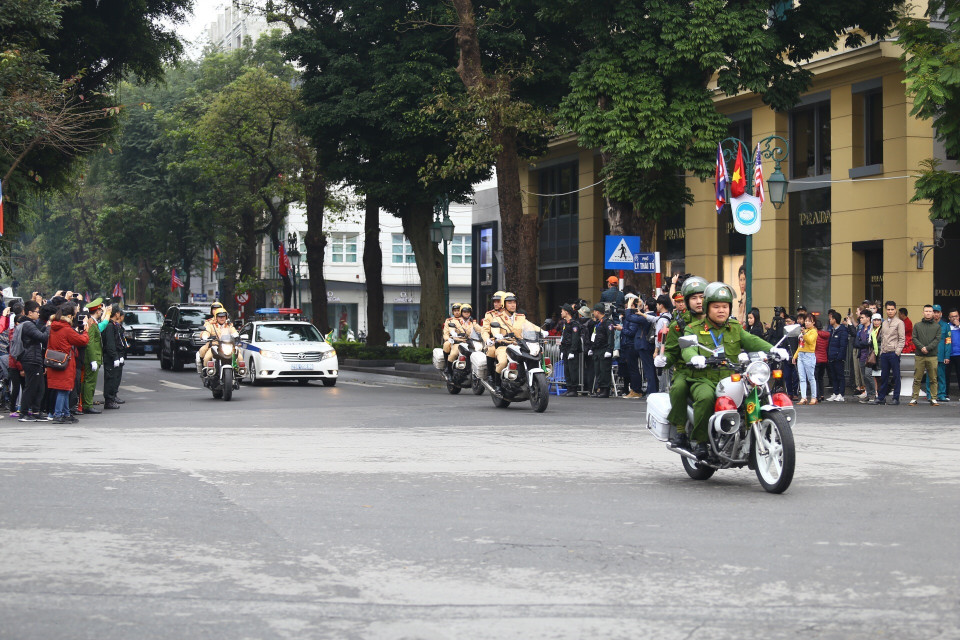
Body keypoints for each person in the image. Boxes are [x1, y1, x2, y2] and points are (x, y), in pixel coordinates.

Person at [681, 282, 781, 459]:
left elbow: (751, 340)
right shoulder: (693, 328)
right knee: (705, 398)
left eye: (725, 306)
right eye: (716, 306)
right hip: (704, 378)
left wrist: (773, 349)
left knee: (759, 393)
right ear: (707, 308)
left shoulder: (735, 328)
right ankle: (701, 442)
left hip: (732, 377)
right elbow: (687, 348)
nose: (721, 310)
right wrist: (694, 357)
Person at [655, 276, 707, 448]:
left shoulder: (719, 318)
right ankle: (680, 431)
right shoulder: (680, 324)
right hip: (686, 370)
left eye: (702, 297)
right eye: (694, 298)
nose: (699, 302)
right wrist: (664, 360)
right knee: (678, 389)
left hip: (716, 368)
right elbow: (671, 352)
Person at [488, 293, 544, 393]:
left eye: (514, 302)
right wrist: (497, 335)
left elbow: (529, 325)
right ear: (504, 305)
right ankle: (497, 385)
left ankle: (525, 379)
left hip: (519, 345)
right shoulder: (498, 318)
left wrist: (541, 331)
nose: (513, 305)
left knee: (530, 357)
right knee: (503, 362)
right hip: (504, 346)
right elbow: (494, 329)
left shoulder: (520, 317)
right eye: (509, 303)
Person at [46, 303, 91, 424]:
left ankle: (65, 413)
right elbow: (82, 340)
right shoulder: (66, 329)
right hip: (65, 362)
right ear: (70, 316)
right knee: (63, 390)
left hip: (55, 360)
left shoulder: (53, 326)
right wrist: (86, 330)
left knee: (65, 389)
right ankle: (59, 414)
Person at [17, 300, 49, 422]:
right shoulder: (27, 325)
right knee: (31, 387)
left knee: (39, 387)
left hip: (34, 359)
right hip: (31, 359)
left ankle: (36, 411)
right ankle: (24, 413)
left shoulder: (30, 324)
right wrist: (48, 327)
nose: (38, 314)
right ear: (30, 313)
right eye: (37, 312)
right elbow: (42, 337)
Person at [874, 300, 905, 405]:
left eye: (892, 309)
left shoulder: (899, 323)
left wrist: (897, 352)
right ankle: (881, 398)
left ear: (895, 310)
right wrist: (882, 350)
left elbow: (902, 339)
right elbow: (882, 338)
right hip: (885, 353)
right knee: (884, 376)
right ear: (885, 310)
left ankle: (896, 398)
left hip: (894, 353)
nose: (890, 311)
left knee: (896, 376)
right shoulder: (884, 323)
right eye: (888, 309)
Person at [910, 304, 941, 406]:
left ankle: (933, 398)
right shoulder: (917, 325)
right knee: (917, 378)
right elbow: (914, 338)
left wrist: (927, 348)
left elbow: (937, 339)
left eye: (930, 311)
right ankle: (914, 398)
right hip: (920, 355)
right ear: (923, 312)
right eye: (926, 311)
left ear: (933, 313)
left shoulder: (937, 326)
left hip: (932, 356)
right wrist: (922, 347)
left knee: (933, 378)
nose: (928, 313)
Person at [79, 298, 105, 414]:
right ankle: (87, 404)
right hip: (91, 358)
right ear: (98, 311)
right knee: (90, 382)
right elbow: (89, 343)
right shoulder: (92, 324)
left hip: (93, 357)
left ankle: (86, 403)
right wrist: (93, 359)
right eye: (100, 310)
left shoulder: (93, 322)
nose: (101, 312)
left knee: (88, 381)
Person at [619, 296, 646, 399]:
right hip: (628, 344)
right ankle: (634, 389)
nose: (626, 309)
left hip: (631, 344)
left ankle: (636, 390)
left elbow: (631, 332)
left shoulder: (635, 317)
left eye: (628, 306)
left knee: (633, 369)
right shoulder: (630, 317)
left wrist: (622, 329)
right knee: (631, 369)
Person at [101, 306, 128, 410]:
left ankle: (112, 398)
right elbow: (111, 344)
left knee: (114, 378)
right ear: (116, 314)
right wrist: (115, 356)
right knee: (110, 379)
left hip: (116, 355)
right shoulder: (109, 326)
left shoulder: (115, 325)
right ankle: (109, 400)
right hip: (111, 357)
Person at [588, 303, 614, 398]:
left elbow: (610, 337)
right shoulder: (598, 323)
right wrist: (592, 348)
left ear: (597, 312)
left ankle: (605, 389)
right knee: (598, 370)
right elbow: (594, 337)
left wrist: (609, 349)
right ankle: (600, 389)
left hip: (604, 349)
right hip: (597, 350)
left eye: (594, 311)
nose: (593, 313)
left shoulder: (607, 323)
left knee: (604, 370)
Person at [480, 291, 506, 383]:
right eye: (494, 301)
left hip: (509, 341)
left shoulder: (510, 313)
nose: (495, 303)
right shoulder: (489, 314)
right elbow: (485, 330)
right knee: (491, 350)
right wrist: (487, 340)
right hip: (494, 341)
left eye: (498, 301)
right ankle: (490, 374)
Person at [793, 314, 818, 405]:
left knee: (811, 377)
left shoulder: (814, 332)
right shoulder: (804, 331)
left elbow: (810, 341)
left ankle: (814, 397)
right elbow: (800, 345)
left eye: (809, 321)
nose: (806, 322)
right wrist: (795, 356)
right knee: (802, 378)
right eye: (806, 321)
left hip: (809, 355)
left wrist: (804, 334)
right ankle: (803, 397)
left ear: (813, 322)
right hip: (801, 354)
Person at [928, 305, 951, 402]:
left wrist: (947, 356)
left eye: (938, 312)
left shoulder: (946, 326)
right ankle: (930, 395)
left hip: (941, 355)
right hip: (930, 355)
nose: (936, 314)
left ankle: (942, 394)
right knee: (930, 376)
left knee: (941, 376)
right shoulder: (928, 325)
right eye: (934, 312)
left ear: (941, 314)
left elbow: (948, 342)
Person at [558, 304, 583, 397]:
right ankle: (569, 388)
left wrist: (572, 351)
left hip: (571, 349)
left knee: (573, 370)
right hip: (565, 349)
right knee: (567, 370)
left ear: (567, 312)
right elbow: (564, 338)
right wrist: (562, 351)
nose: (561, 312)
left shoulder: (574, 324)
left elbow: (575, 339)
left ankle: (574, 389)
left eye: (562, 311)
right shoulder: (566, 323)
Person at [444, 303, 477, 372]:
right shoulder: (450, 320)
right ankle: (448, 367)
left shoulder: (467, 320)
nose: (457, 312)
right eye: (455, 310)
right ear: (452, 312)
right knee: (448, 347)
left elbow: (475, 329)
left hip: (467, 341)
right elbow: (448, 331)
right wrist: (449, 338)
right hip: (455, 340)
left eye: (458, 310)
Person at [854, 310, 877, 403]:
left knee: (868, 375)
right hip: (862, 355)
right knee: (864, 376)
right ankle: (868, 393)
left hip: (869, 356)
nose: (861, 319)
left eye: (862, 317)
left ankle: (873, 394)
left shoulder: (871, 329)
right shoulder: (860, 329)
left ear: (868, 318)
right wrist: (864, 343)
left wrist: (863, 343)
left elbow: (870, 343)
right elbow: (856, 343)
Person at [826, 310, 849, 401]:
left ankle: (841, 394)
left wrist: (839, 356)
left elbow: (843, 346)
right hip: (831, 356)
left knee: (840, 376)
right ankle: (835, 393)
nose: (829, 320)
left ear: (835, 319)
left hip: (838, 358)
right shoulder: (832, 330)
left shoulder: (842, 331)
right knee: (833, 376)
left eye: (831, 318)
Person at [944, 309, 960, 400]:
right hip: (948, 354)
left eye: (956, 316)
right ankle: (945, 394)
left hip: (959, 354)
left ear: (959, 316)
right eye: (952, 317)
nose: (954, 318)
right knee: (946, 375)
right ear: (949, 318)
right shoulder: (946, 326)